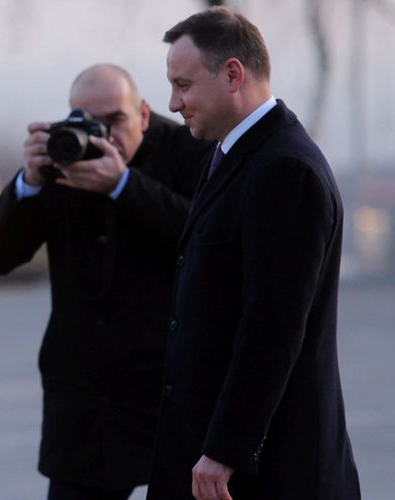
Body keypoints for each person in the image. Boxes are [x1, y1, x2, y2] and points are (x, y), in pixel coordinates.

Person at [147, 8, 361, 500]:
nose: (174, 103)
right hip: (221, 460)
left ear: (232, 74)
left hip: (262, 472)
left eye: (183, 85)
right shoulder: (237, 155)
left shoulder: (284, 169)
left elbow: (273, 326)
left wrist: (226, 449)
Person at [0, 64, 213, 499]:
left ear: (143, 114)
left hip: (169, 389)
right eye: (87, 121)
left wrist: (123, 185)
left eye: (115, 121)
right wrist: (28, 183)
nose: (101, 135)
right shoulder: (61, 159)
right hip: (84, 394)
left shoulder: (192, 151)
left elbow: (208, 242)